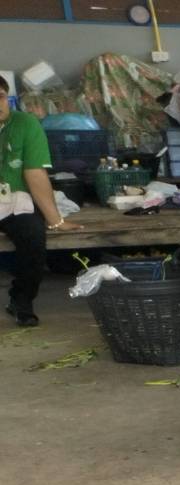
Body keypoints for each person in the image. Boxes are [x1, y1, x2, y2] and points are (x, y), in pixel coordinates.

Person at [0, 76, 75, 327]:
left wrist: (56, 220)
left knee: (33, 235)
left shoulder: (25, 123)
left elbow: (35, 173)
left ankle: (21, 300)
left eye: (0, 97)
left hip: (14, 201)